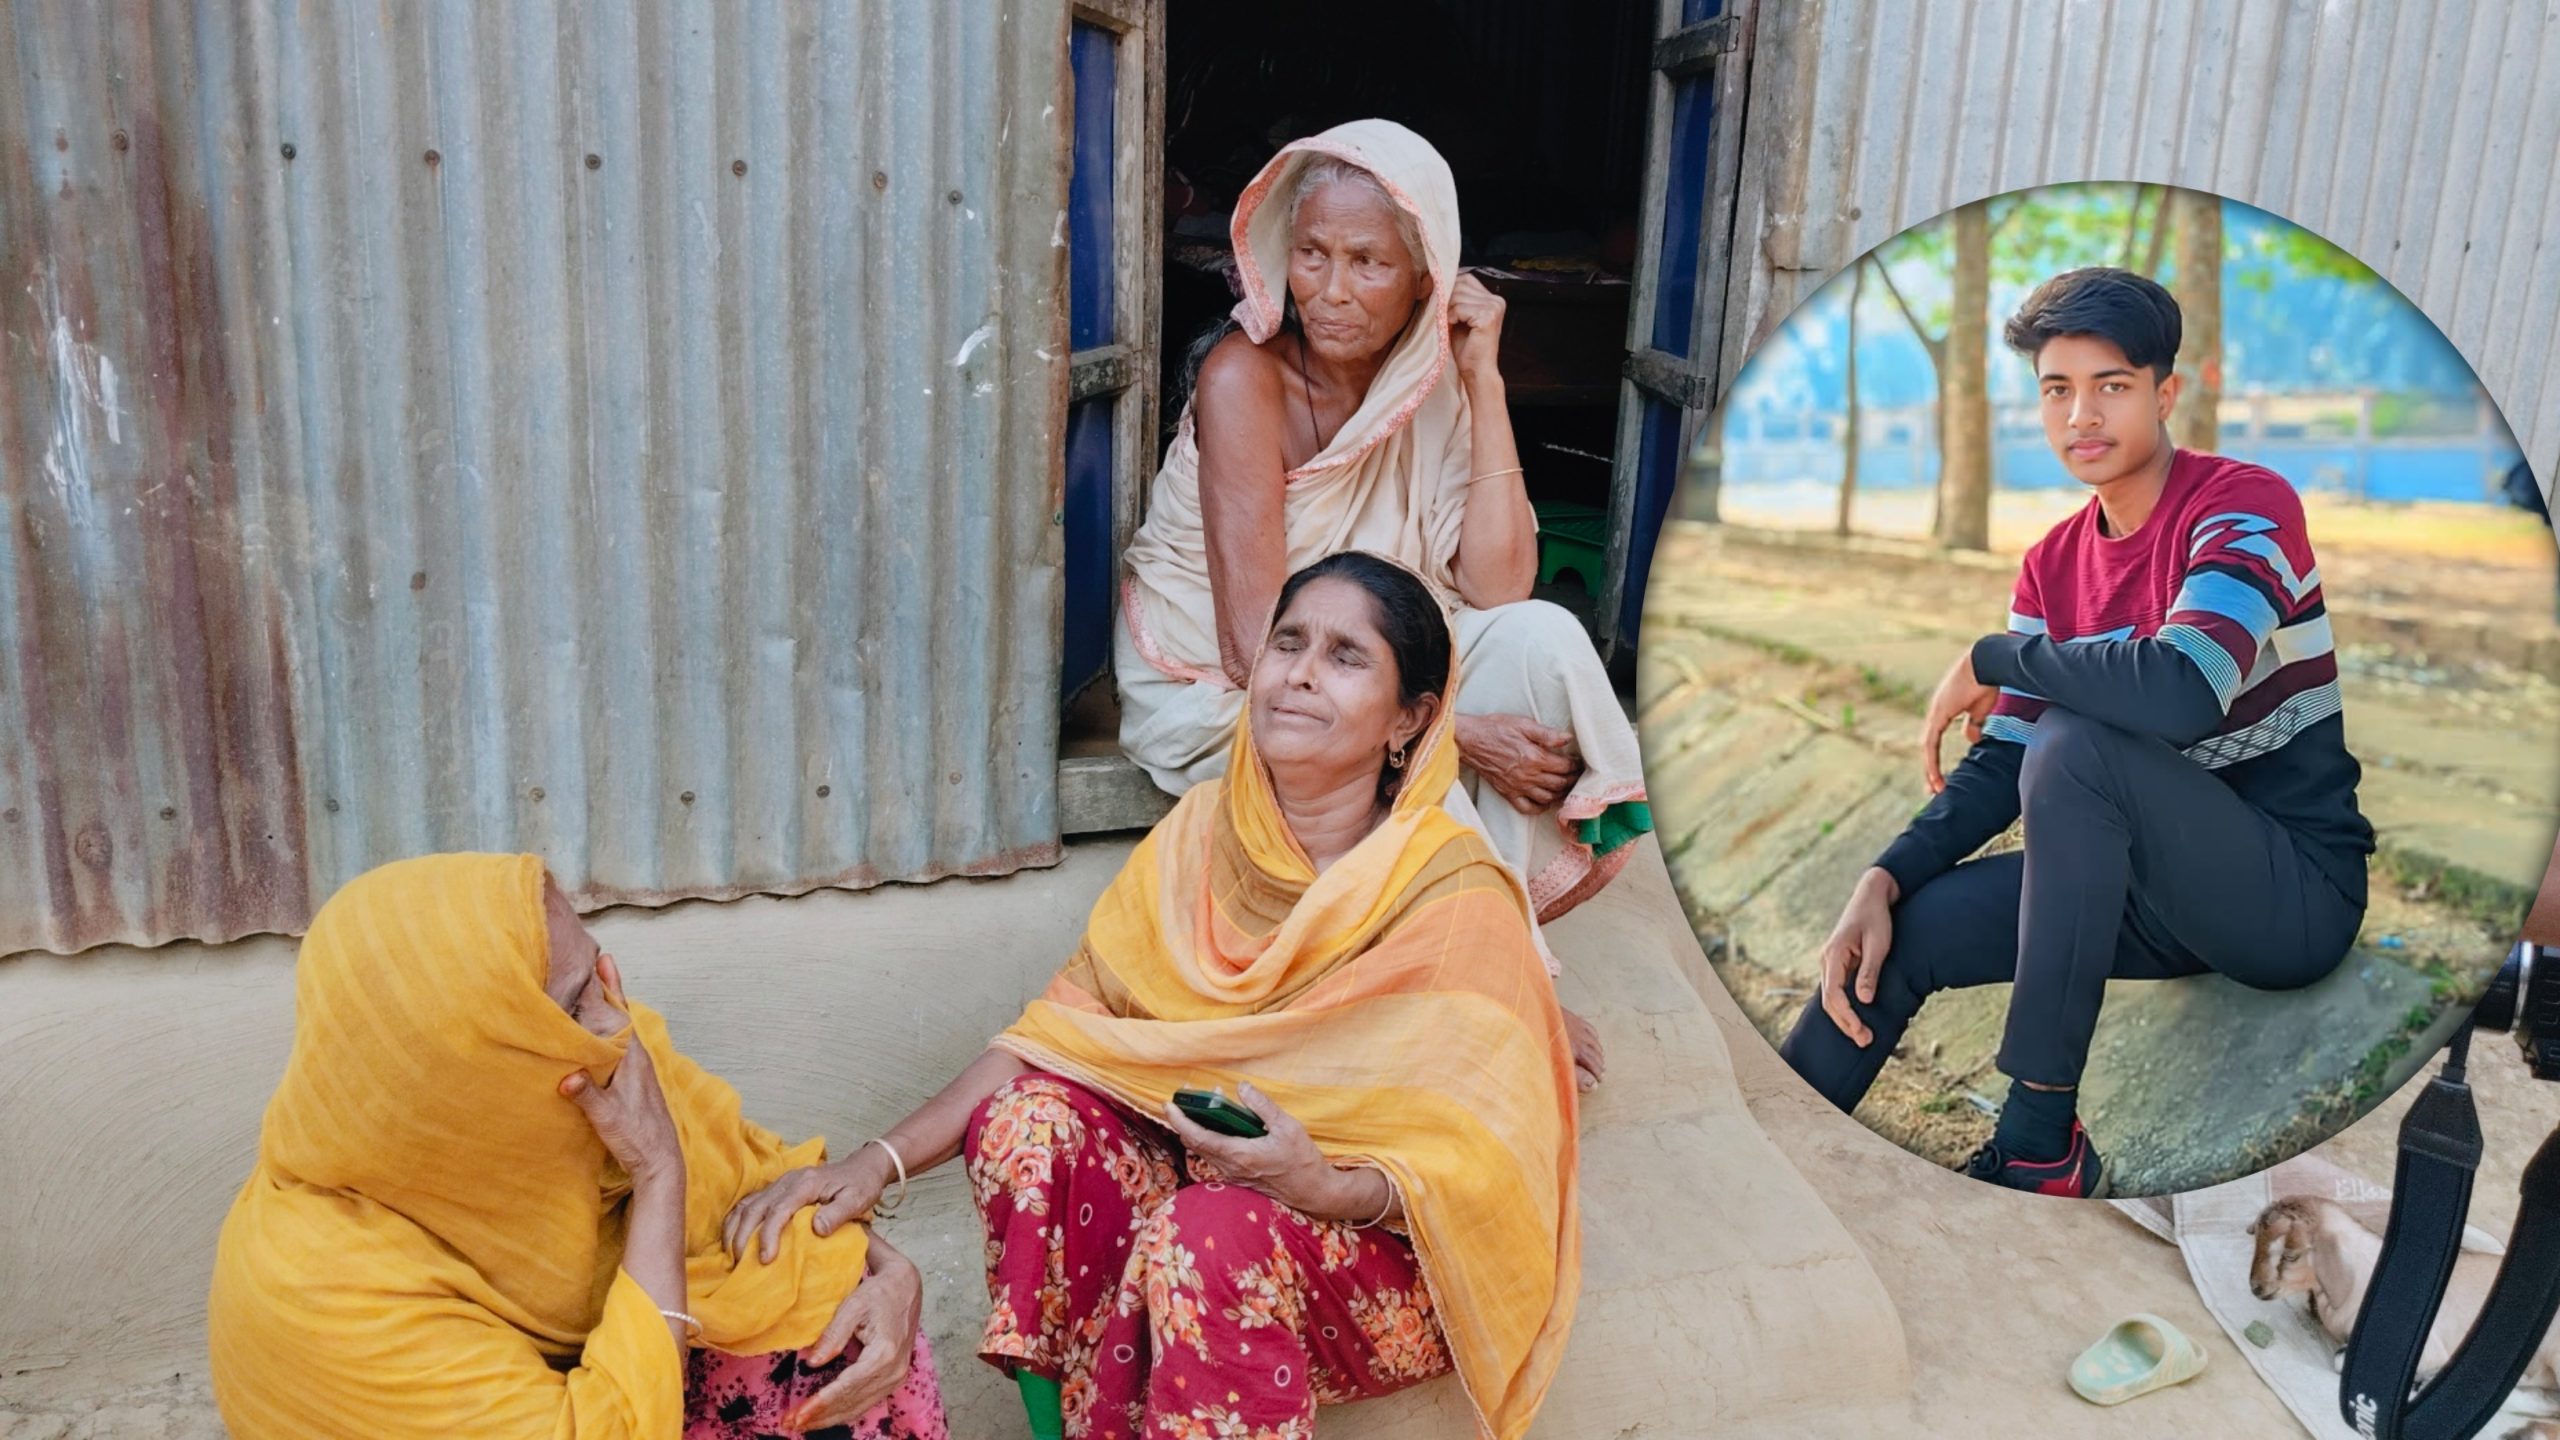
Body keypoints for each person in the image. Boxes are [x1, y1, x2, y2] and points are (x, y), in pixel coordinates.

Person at [730, 552, 1580, 1440]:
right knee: (1028, 1125)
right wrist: (873, 1165)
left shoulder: (1451, 894)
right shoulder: (1196, 838)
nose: (1299, 673)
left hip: (1376, 1254)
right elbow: (1056, 1035)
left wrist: (1321, 1185)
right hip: (1199, 1199)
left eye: (1345, 656)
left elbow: (1489, 1170)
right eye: (1288, 642)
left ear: (1411, 719)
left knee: (1204, 1232)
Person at [1777, 267, 2372, 1197]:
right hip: (2139, 892)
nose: (2081, 416)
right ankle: (1772, 1146)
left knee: (2078, 744)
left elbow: (2185, 688)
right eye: (2057, 390)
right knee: (1909, 928)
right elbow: (2004, 760)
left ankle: (2038, 1139)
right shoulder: (2053, 562)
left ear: (2165, 394)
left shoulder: (2244, 506)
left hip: (2289, 893)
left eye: (2112, 387)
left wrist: (1994, 656)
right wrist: (1882, 877)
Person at [1115, 118, 1651, 937]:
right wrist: (1451, 736)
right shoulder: (1242, 378)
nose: (1331, 290)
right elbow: (1258, 653)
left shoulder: (1428, 379)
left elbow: (1499, 587)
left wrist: (1483, 378)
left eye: (1367, 262)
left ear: (1425, 276)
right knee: (1387, 752)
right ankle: (1469, 949)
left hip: (1373, 657)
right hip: (1222, 687)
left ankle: (1491, 932)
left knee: (1543, 640)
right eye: (1312, 253)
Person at [207, 853, 947, 1439]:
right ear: (467, 1068)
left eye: (598, 970)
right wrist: (657, 1173)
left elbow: (751, 1182)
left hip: (616, 1389)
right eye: (570, 1003)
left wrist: (885, 1267)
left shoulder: (572, 1081)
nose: (615, 1018)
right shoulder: (317, 1290)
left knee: (839, 1331)